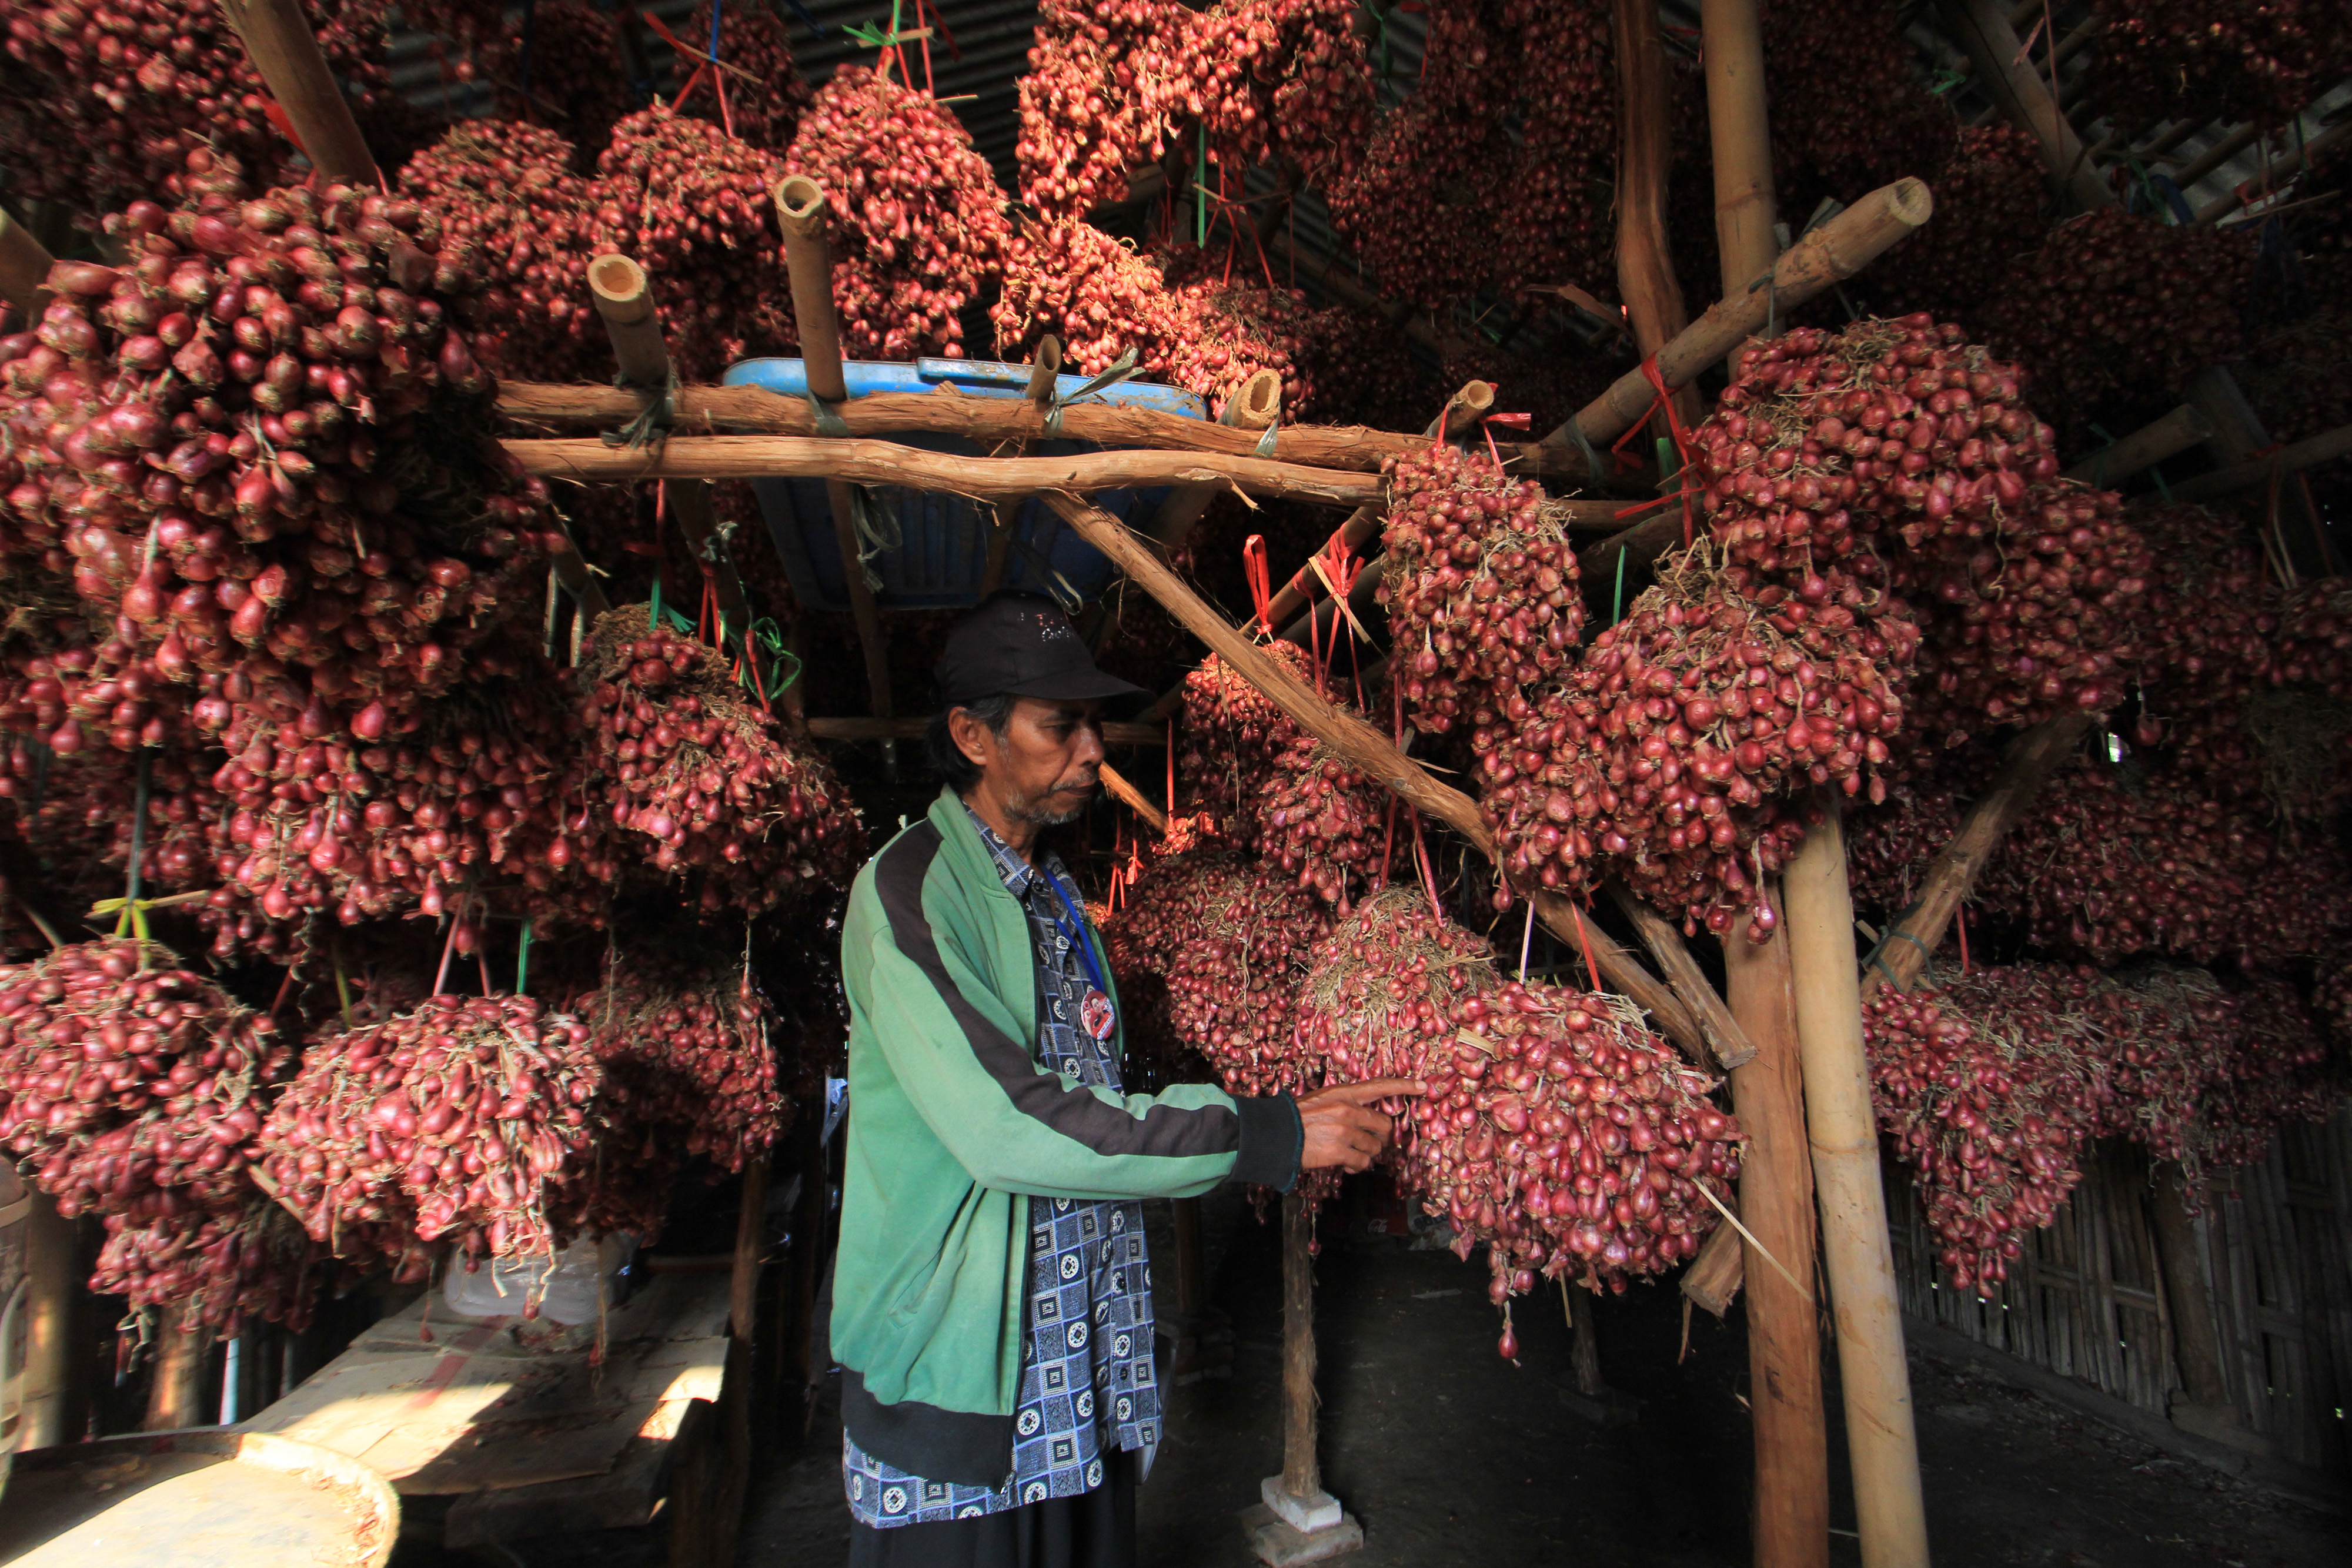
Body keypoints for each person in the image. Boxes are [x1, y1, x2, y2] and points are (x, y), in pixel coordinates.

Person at [834, 591, 1419, 1567]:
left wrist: (1274, 1111)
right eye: (1060, 726)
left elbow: (1095, 1080)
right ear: (972, 736)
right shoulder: (908, 890)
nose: (1094, 748)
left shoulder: (1055, 893)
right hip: (967, 1383)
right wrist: (1264, 1134)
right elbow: (1010, 1125)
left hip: (1080, 1369)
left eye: (1092, 723)